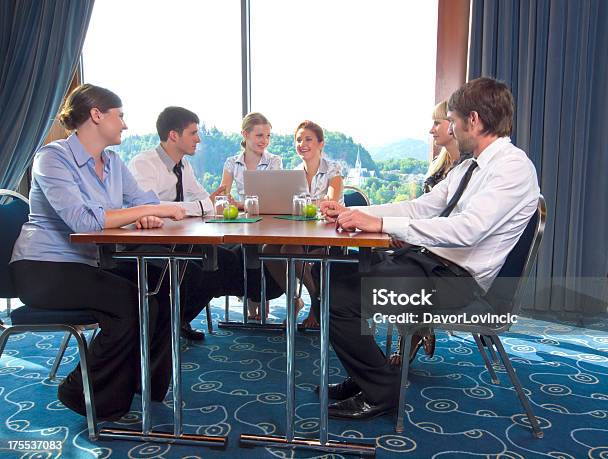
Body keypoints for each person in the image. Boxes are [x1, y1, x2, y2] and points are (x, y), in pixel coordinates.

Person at [316, 77, 540, 420]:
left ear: (474, 120)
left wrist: (380, 225)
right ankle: (370, 375)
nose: (451, 128)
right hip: (429, 266)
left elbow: (468, 231)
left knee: (341, 296)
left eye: (453, 120)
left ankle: (382, 389)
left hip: (457, 283)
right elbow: (422, 207)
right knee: (331, 272)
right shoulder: (470, 166)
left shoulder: (512, 167)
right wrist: (357, 214)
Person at [9, 84, 186, 421]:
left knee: (159, 287)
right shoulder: (52, 158)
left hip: (86, 265)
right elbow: (83, 221)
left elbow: (144, 202)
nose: (125, 124)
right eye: (120, 116)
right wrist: (141, 214)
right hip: (42, 269)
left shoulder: (113, 162)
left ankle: (143, 385)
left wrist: (150, 212)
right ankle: (80, 391)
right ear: (96, 115)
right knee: (131, 302)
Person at [128, 106, 228, 340]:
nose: (198, 139)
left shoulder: (185, 165)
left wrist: (193, 208)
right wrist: (194, 208)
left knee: (221, 264)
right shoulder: (144, 164)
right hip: (145, 242)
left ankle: (179, 320)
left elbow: (205, 201)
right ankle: (163, 328)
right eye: (193, 133)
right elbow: (151, 207)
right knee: (194, 271)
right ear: (174, 135)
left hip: (178, 238)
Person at [390, 100, 471, 365]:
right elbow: (422, 207)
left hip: (443, 250)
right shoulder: (442, 165)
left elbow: (456, 224)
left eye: (437, 122)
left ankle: (414, 331)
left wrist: (409, 233)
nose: (431, 130)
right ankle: (414, 329)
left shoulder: (473, 168)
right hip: (426, 240)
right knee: (389, 262)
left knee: (393, 271)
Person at [264, 120, 344, 328]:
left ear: (321, 143)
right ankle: (294, 299)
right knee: (268, 250)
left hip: (329, 232)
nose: (302, 143)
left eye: (308, 139)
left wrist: (307, 204)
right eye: (299, 140)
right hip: (301, 230)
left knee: (290, 249)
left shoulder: (333, 170)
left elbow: (331, 201)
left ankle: (316, 302)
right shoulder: (294, 173)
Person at [220, 112, 282, 320]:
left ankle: (262, 298)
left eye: (268, 136)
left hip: (267, 220)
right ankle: (249, 297)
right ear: (245, 135)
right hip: (241, 219)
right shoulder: (232, 162)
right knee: (238, 249)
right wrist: (237, 204)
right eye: (259, 136)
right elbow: (224, 194)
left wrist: (240, 204)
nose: (264, 141)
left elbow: (273, 198)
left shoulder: (274, 161)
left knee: (261, 248)